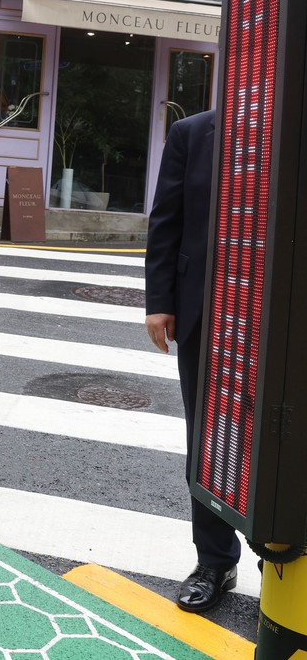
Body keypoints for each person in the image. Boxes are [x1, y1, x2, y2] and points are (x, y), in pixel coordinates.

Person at [145, 108, 241, 612]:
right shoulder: (193, 132)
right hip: (207, 310)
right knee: (209, 438)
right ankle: (215, 561)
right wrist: (160, 302)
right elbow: (167, 221)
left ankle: (284, 553)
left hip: (283, 316)